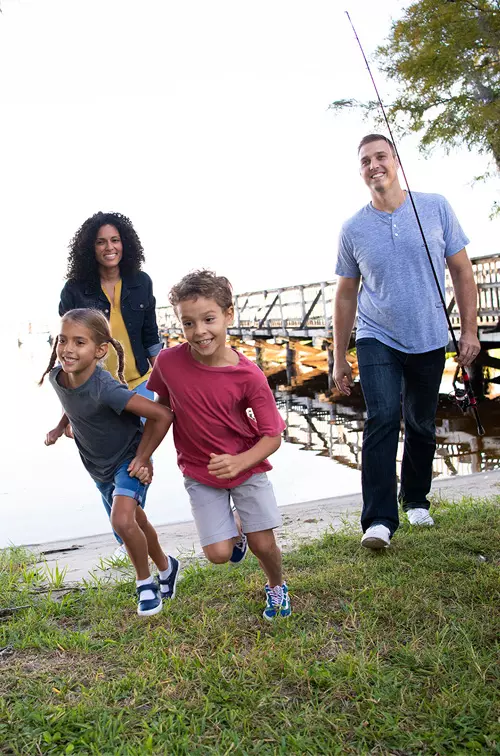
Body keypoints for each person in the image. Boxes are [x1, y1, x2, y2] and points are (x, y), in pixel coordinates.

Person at [334, 134, 480, 549]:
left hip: (429, 335)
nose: (373, 165)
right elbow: (345, 294)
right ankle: (378, 521)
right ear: (360, 171)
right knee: (381, 417)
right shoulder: (353, 228)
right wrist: (339, 355)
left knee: (419, 421)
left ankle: (415, 498)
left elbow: (462, 273)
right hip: (376, 335)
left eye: (380, 156)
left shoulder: (435, 207)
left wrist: (468, 330)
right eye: (365, 161)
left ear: (396, 160)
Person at [143, 270, 291, 620]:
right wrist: (143, 455)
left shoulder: (248, 375)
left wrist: (240, 462)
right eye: (188, 323)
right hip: (199, 471)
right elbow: (161, 412)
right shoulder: (167, 363)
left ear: (228, 315)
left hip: (248, 467)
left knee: (262, 543)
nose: (199, 332)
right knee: (218, 553)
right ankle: (235, 530)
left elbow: (273, 435)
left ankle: (277, 587)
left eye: (208, 319)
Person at [41, 308, 180, 616]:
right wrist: (58, 426)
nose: (67, 349)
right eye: (63, 340)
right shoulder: (57, 376)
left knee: (121, 521)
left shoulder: (107, 388)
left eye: (79, 342)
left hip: (127, 461)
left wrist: (143, 458)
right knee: (136, 522)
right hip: (97, 465)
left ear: (100, 350)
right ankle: (166, 567)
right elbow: (72, 401)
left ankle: (145, 584)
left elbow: (162, 414)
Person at [58, 212, 163, 548]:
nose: (109, 247)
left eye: (115, 240)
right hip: (98, 392)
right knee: (108, 467)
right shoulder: (74, 290)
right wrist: (68, 412)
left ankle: (128, 527)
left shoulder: (141, 281)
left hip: (139, 383)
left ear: (125, 244)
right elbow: (66, 347)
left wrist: (168, 384)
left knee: (136, 456)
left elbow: (151, 336)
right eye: (101, 241)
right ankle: (129, 530)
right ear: (91, 247)